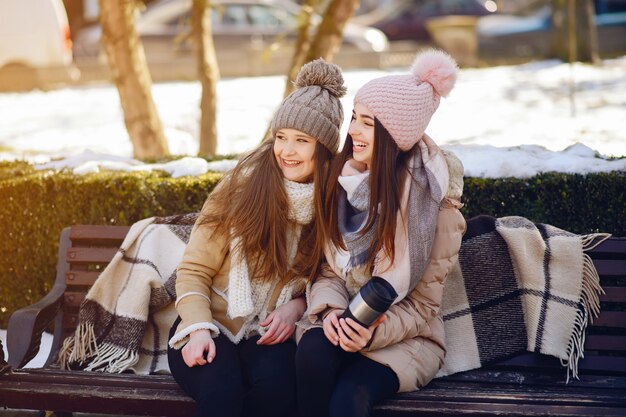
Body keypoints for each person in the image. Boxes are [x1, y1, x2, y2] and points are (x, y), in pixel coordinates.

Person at [167, 59, 346, 417]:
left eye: (301, 141)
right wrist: (198, 329)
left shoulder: (330, 205)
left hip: (266, 333)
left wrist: (296, 307)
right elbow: (193, 271)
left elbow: (327, 277)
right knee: (223, 393)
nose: (286, 151)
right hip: (209, 322)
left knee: (279, 393)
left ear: (323, 150)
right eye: (281, 137)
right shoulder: (242, 188)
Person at [295, 49, 467, 417]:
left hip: (404, 338)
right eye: (354, 118)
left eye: (367, 123)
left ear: (393, 134)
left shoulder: (435, 210)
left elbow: (422, 307)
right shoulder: (342, 183)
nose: (352, 130)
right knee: (310, 358)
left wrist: (371, 333)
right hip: (344, 319)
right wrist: (332, 314)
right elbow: (327, 271)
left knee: (348, 398)